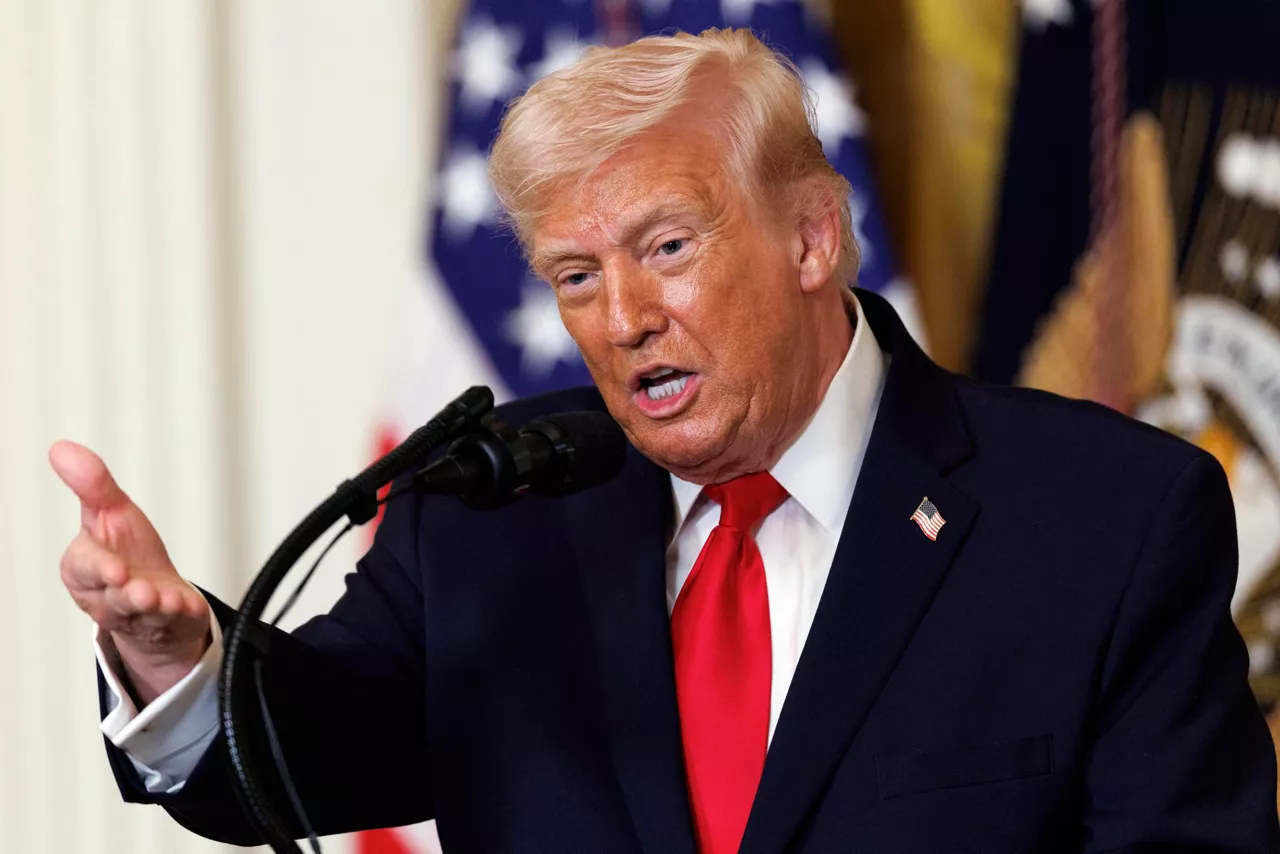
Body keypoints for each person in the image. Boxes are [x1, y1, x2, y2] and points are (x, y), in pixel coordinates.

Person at [51, 28, 1278, 854]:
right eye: (574, 274)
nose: (623, 317)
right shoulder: (495, 500)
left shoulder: (1099, 517)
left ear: (810, 239)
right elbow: (299, 754)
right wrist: (177, 658)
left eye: (667, 248)